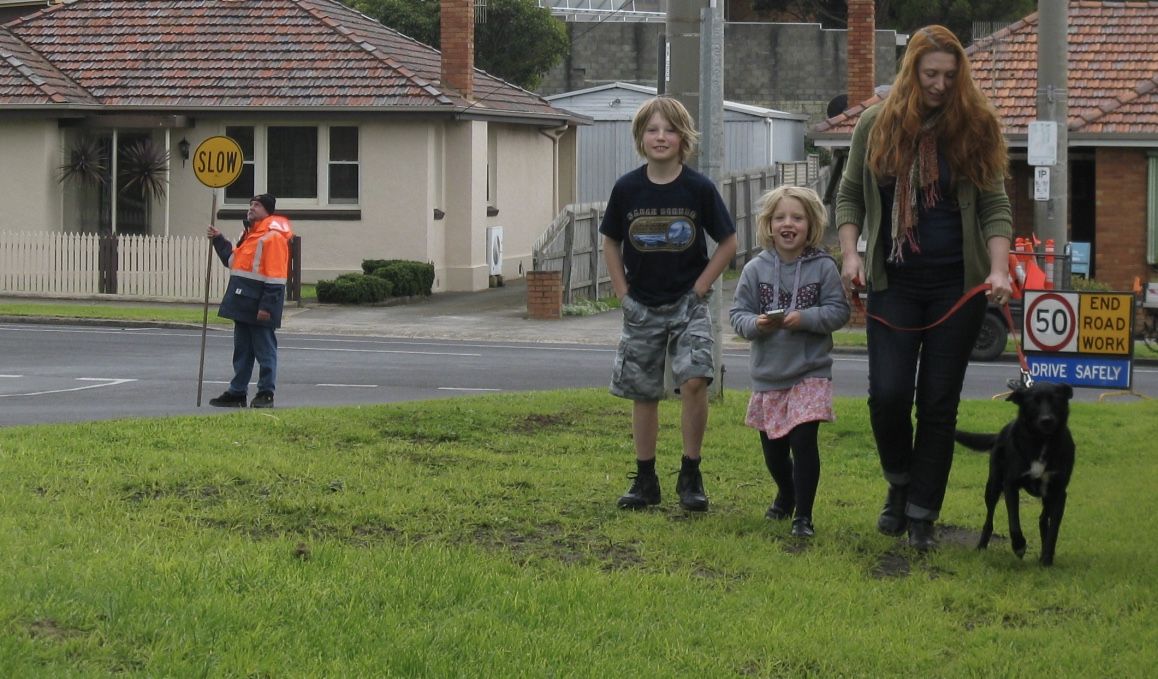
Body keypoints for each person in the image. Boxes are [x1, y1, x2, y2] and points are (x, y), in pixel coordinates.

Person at [835, 25, 1013, 551]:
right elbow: (849, 197)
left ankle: (921, 513)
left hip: (956, 287)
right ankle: (899, 482)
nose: (939, 84)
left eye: (949, 76)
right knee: (887, 396)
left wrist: (999, 269)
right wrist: (850, 254)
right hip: (894, 283)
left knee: (938, 403)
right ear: (911, 69)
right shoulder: (876, 123)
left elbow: (994, 206)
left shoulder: (975, 126)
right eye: (930, 73)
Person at [600, 96, 738, 512]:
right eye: (653, 130)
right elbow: (610, 240)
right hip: (641, 304)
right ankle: (645, 480)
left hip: (687, 305)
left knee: (695, 379)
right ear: (641, 138)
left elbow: (728, 242)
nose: (661, 137)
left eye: (670, 130)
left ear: (683, 138)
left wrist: (699, 288)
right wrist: (622, 293)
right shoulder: (627, 188)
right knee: (645, 391)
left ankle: (690, 474)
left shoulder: (698, 188)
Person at [730, 186, 850, 538]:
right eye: (780, 217)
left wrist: (806, 318)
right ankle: (787, 492)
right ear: (768, 225)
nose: (788, 224)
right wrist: (757, 324)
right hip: (769, 375)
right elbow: (738, 316)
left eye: (797, 218)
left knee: (803, 441)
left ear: (810, 224)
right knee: (774, 451)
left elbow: (838, 311)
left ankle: (804, 516)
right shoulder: (754, 269)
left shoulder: (824, 268)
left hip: (810, 373)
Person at [206, 194, 294, 409]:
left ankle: (266, 393)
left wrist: (266, 307)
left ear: (267, 211)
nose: (251, 208)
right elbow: (233, 261)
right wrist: (219, 240)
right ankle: (237, 392)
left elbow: (276, 276)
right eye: (251, 204)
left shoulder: (272, 237)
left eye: (257, 205)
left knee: (265, 350)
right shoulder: (250, 235)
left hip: (258, 304)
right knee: (242, 351)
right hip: (243, 300)